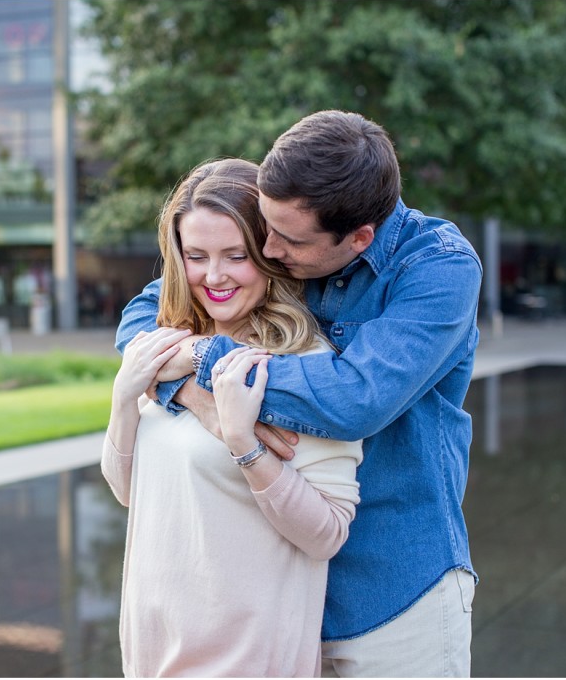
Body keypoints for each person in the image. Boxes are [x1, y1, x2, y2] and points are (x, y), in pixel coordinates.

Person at [116, 110, 482, 677]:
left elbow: (355, 400)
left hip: (391, 586)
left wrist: (209, 359)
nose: (266, 247)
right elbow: (144, 316)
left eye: (283, 239)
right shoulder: (294, 229)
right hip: (279, 595)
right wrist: (196, 398)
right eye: (262, 226)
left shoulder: (437, 269)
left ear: (359, 237)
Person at [102, 157, 364, 677]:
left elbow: (327, 535)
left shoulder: (303, 367)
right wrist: (123, 397)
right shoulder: (167, 349)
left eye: (235, 255)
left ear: (268, 252)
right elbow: (130, 491)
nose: (213, 276)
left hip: (249, 658)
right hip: (155, 652)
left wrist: (246, 446)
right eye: (196, 255)